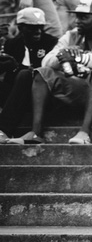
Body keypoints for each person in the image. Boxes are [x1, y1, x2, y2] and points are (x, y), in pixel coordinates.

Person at [6, 0, 92, 145]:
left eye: (84, 17)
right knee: (42, 72)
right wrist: (62, 57)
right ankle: (35, 133)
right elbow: (46, 61)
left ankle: (84, 132)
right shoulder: (71, 35)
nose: (77, 21)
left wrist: (80, 58)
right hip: (83, 90)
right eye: (77, 16)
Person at [0, 8, 59, 142]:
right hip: (15, 95)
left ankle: (3, 129)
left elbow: (45, 73)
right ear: (21, 28)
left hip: (42, 97)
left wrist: (16, 67)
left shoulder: (51, 43)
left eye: (40, 27)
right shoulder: (12, 44)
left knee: (25, 74)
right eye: (32, 28)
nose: (38, 31)